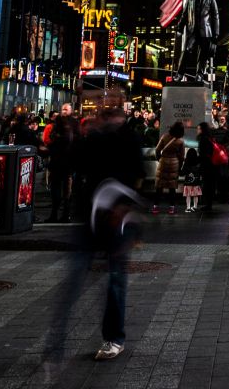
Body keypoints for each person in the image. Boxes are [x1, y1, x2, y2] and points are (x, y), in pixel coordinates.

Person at [45, 107, 145, 364]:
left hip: (116, 221)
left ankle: (114, 338)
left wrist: (128, 215)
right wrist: (77, 135)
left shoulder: (130, 138)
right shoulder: (93, 137)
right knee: (75, 278)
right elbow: (74, 163)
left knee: (114, 281)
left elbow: (136, 176)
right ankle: (56, 341)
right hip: (90, 217)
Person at [46, 103, 79, 223]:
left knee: (66, 190)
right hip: (58, 160)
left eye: (66, 109)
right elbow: (52, 137)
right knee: (56, 188)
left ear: (70, 111)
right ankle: (55, 214)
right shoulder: (57, 122)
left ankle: (65, 214)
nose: (64, 111)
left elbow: (75, 140)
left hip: (67, 161)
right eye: (63, 109)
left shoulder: (74, 123)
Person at [154, 122, 186, 215]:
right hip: (174, 163)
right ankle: (171, 208)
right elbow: (181, 157)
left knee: (159, 186)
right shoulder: (181, 141)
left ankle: (155, 207)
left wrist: (159, 159)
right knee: (172, 187)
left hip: (163, 162)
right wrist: (179, 167)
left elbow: (157, 150)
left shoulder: (164, 137)